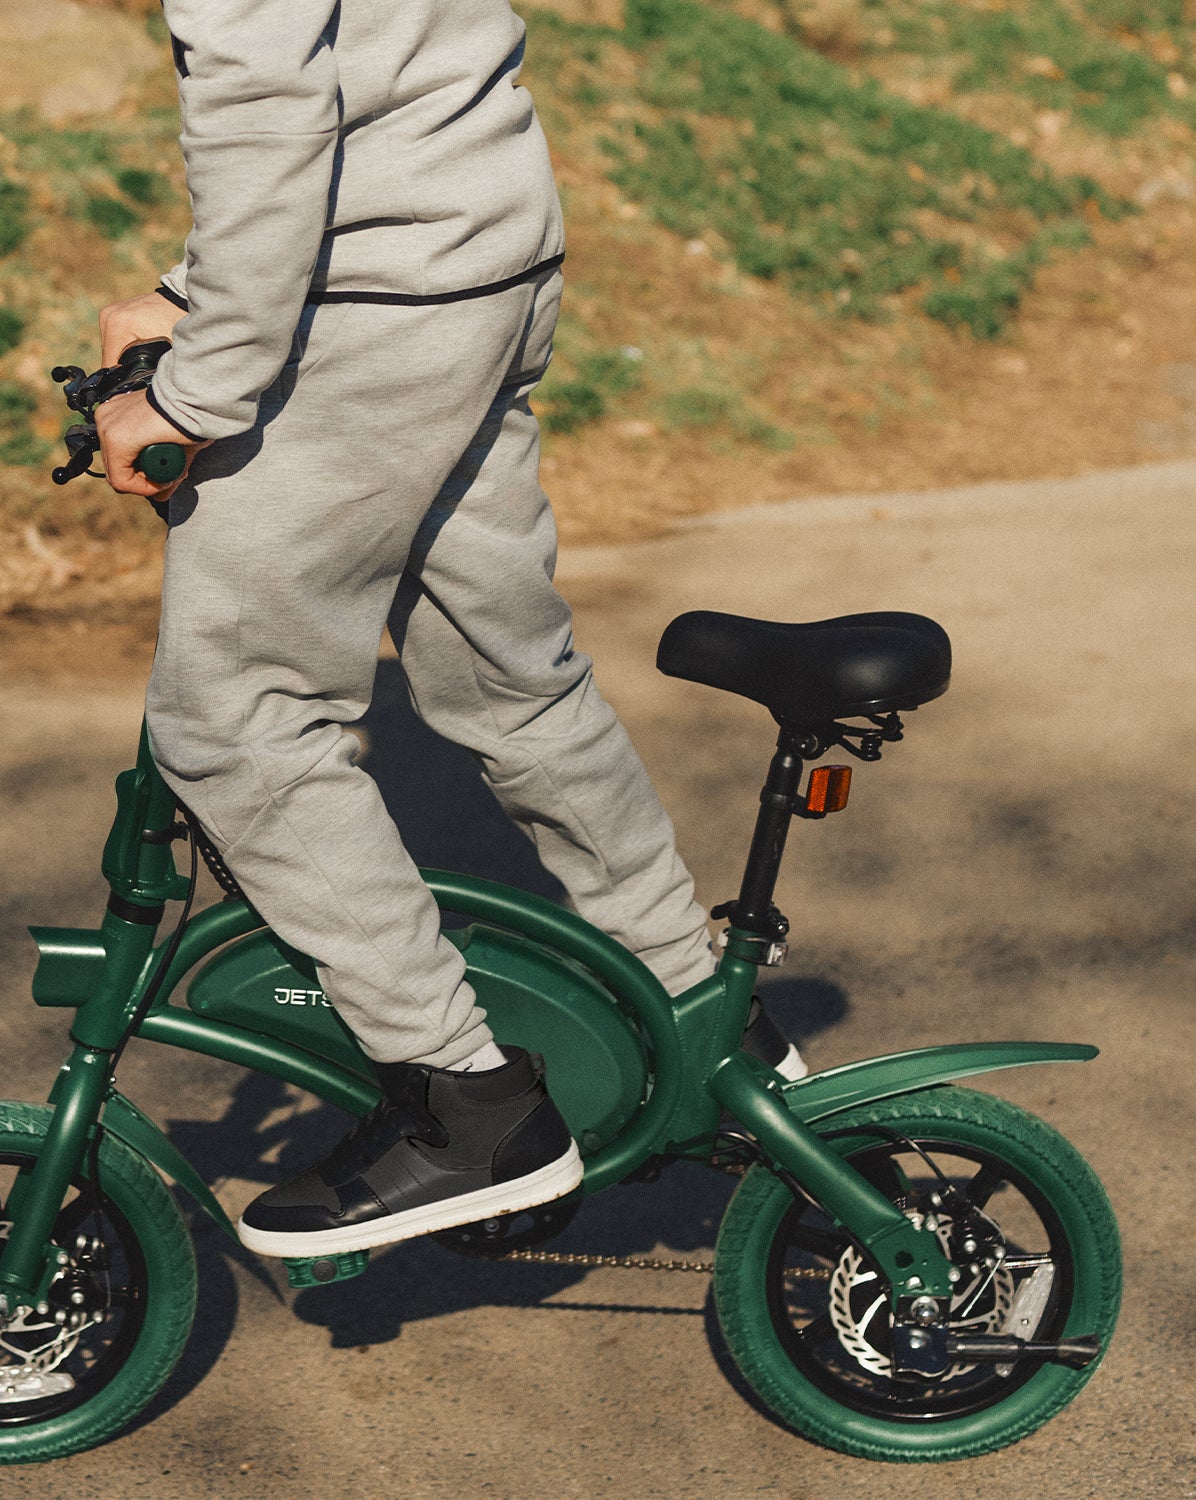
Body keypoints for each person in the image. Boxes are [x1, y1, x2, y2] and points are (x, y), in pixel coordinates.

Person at [94, 0, 801, 1263]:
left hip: (370, 306)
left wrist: (192, 390)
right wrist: (181, 293)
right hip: (484, 258)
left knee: (238, 727)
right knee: (507, 676)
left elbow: (268, 100)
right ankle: (699, 1009)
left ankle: (469, 1107)